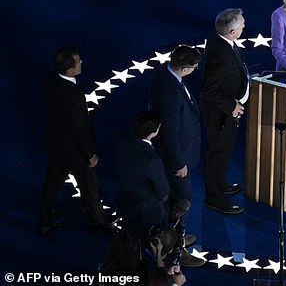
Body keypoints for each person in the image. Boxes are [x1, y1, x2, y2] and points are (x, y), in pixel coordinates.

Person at [40, 46, 116, 235]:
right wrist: (90, 154)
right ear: (70, 70)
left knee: (53, 183)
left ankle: (46, 221)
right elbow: (80, 127)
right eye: (78, 60)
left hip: (56, 144)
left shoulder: (51, 82)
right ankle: (96, 220)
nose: (82, 62)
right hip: (75, 150)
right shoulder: (74, 94)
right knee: (89, 186)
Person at [116, 110, 204, 268]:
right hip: (148, 211)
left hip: (126, 200)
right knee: (174, 212)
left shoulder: (123, 141)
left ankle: (176, 240)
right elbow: (163, 191)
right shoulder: (152, 160)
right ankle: (174, 250)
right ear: (154, 132)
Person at [200, 8, 249, 214]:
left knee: (223, 153)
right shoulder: (221, 56)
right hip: (220, 114)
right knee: (218, 154)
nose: (245, 25)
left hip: (225, 110)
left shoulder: (218, 38)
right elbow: (208, 90)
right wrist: (232, 106)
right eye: (241, 24)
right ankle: (215, 197)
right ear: (231, 33)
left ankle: (219, 184)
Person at [149, 45, 201, 230]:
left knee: (173, 196)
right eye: (194, 68)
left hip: (170, 153)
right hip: (174, 158)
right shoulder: (171, 94)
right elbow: (169, 132)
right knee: (182, 199)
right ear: (185, 69)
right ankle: (175, 240)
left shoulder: (165, 73)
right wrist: (179, 163)